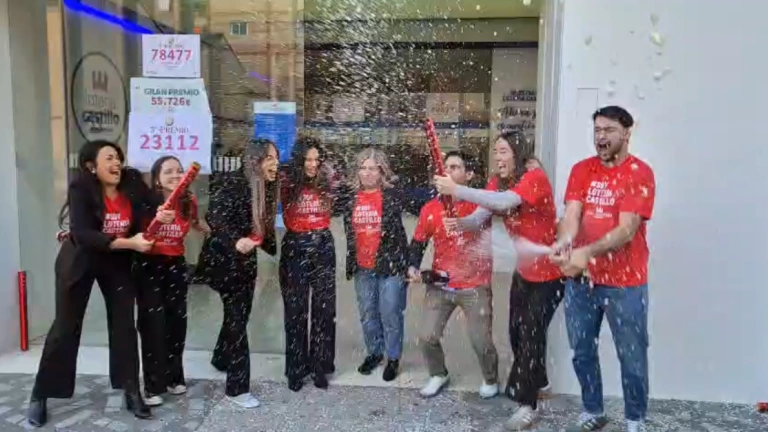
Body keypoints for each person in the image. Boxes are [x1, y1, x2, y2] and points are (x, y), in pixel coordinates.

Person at [26, 140, 173, 426]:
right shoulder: (80, 188)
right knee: (65, 327)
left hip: (116, 262)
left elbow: (153, 205)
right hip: (80, 258)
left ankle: (131, 391)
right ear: (91, 166)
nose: (116, 163)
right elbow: (82, 233)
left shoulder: (131, 181)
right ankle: (40, 394)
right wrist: (130, 242)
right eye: (109, 158)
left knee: (124, 326)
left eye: (117, 157)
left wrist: (162, 212)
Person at [434, 133, 563, 430]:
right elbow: (480, 217)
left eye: (503, 151)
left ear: (518, 152)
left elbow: (505, 201)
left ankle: (528, 405)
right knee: (516, 334)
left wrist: (458, 188)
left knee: (530, 336)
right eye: (496, 151)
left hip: (551, 276)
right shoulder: (497, 182)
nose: (498, 157)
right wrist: (459, 223)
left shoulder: (534, 177)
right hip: (524, 272)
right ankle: (540, 382)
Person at [551, 106, 656, 432]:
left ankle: (635, 419)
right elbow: (572, 215)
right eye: (597, 130)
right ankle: (593, 410)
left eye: (609, 130)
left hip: (625, 284)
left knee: (632, 357)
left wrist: (586, 252)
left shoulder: (639, 173)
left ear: (627, 133)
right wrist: (566, 242)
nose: (600, 137)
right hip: (582, 283)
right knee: (582, 351)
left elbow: (627, 229)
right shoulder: (582, 170)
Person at [407, 151, 499, 399]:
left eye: (455, 167)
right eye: (445, 167)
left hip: (475, 286)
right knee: (427, 336)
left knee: (481, 341)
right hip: (441, 285)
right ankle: (438, 373)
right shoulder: (430, 208)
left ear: (469, 175)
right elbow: (418, 243)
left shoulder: (482, 204)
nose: (447, 171)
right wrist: (413, 267)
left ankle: (491, 378)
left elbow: (503, 204)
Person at [196, 139, 279, 408]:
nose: (276, 163)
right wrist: (236, 241)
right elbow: (216, 218)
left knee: (238, 315)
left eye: (276, 158)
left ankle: (221, 357)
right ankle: (237, 388)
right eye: (270, 158)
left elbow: (262, 225)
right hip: (224, 261)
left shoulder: (265, 186)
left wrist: (269, 246)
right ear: (255, 160)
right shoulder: (233, 183)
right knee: (237, 319)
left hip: (245, 262)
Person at [341, 148, 432, 382]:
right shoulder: (350, 198)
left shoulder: (394, 194)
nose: (367, 173)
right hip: (363, 267)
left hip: (391, 265)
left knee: (390, 312)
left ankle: (393, 357)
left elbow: (425, 202)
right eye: (363, 168)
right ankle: (374, 352)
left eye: (373, 168)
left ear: (382, 171)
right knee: (368, 313)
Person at [135, 156, 210, 406]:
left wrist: (213, 229)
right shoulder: (147, 201)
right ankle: (152, 385)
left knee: (177, 323)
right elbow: (136, 233)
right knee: (152, 325)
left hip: (176, 266)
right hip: (149, 266)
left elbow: (196, 223)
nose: (176, 175)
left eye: (179, 171)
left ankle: (174, 376)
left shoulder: (188, 200)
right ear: (157, 178)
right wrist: (156, 220)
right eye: (168, 172)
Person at [279, 137, 338, 391]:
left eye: (316, 159)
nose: (312, 164)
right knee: (296, 310)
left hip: (322, 244)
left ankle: (320, 366)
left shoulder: (327, 181)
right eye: (307, 160)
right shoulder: (287, 181)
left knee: (324, 309)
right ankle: (296, 368)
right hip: (295, 245)